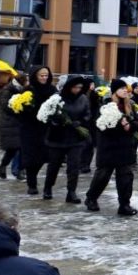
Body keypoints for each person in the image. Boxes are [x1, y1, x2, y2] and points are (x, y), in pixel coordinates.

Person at [85, 79, 138, 216]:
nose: (125, 91)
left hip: (125, 146)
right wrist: (120, 126)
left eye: (126, 88)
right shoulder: (106, 106)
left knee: (125, 177)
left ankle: (124, 205)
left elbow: (136, 123)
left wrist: (129, 126)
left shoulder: (129, 105)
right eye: (121, 88)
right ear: (114, 91)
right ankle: (91, 198)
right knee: (103, 175)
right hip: (109, 146)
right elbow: (101, 125)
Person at [42, 75, 92, 203]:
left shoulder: (83, 99)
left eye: (80, 87)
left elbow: (88, 115)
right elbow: (49, 115)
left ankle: (71, 192)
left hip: (75, 138)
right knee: (54, 165)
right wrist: (57, 121)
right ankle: (48, 188)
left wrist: (80, 122)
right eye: (75, 87)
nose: (77, 90)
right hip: (57, 137)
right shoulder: (57, 98)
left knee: (74, 166)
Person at [17, 66, 57, 195]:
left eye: (46, 75)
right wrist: (27, 109)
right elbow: (18, 109)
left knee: (44, 157)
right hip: (30, 129)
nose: (44, 78)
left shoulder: (52, 90)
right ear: (35, 76)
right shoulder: (28, 90)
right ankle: (32, 184)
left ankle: (41, 183)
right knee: (31, 158)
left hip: (47, 128)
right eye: (41, 75)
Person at [0, 73, 25, 179]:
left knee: (22, 148)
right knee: (12, 149)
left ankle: (19, 170)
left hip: (20, 123)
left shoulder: (24, 90)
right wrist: (18, 107)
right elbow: (5, 106)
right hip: (10, 123)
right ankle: (3, 166)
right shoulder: (8, 90)